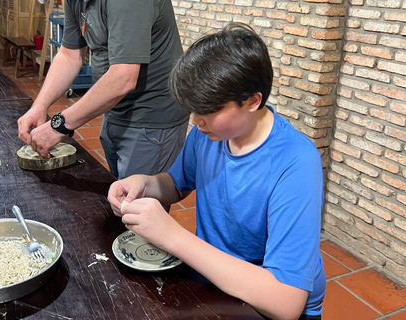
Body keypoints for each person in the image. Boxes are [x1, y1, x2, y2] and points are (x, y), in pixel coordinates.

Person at [108, 22, 326, 320]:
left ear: (252, 101)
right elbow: (176, 183)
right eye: (193, 110)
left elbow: (285, 303)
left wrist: (172, 236)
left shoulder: (296, 162)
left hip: (260, 301)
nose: (195, 121)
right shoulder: (209, 133)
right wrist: (144, 184)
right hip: (210, 280)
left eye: (207, 111)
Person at [17, 0, 190, 179]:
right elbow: (69, 55)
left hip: (152, 116)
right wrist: (39, 105)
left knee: (136, 203)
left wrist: (58, 126)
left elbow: (123, 78)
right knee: (117, 193)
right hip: (115, 106)